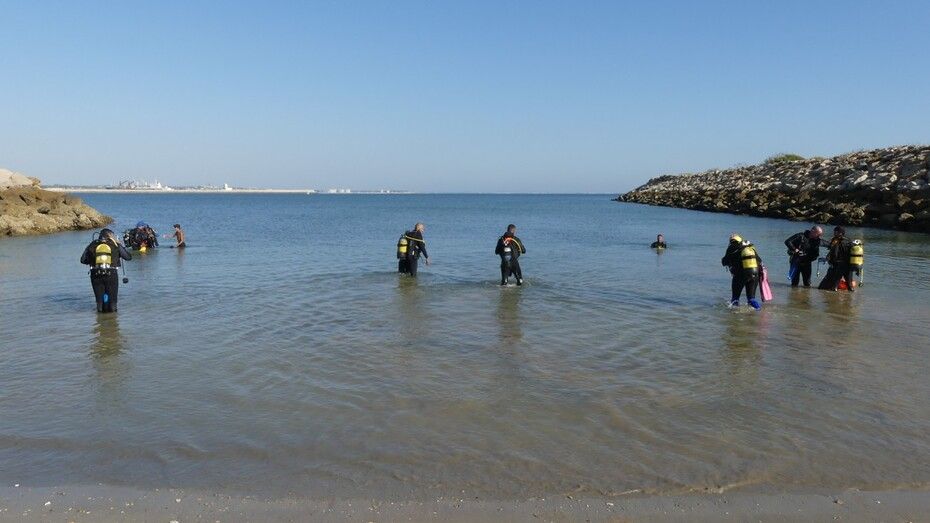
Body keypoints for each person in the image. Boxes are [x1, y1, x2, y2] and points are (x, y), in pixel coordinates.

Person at [80, 228, 132, 313]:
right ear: (110, 236)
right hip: (111, 274)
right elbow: (128, 257)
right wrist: (121, 246)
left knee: (99, 301)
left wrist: (93, 259)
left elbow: (83, 260)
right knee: (113, 301)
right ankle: (113, 318)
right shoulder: (115, 245)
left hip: (95, 274)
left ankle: (100, 318)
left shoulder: (92, 244)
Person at [721, 233, 763, 310]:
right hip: (755, 274)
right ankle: (759, 310)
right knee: (751, 299)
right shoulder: (750, 247)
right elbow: (759, 261)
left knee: (735, 298)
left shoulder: (732, 247)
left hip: (740, 275)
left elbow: (724, 262)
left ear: (731, 241)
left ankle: (734, 314)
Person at [818, 226, 852, 291]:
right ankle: (851, 296)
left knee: (830, 287)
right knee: (849, 286)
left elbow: (834, 252)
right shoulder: (848, 240)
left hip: (839, 265)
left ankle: (834, 294)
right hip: (848, 266)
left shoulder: (837, 240)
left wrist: (829, 259)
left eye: (835, 231)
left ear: (840, 233)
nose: (834, 233)